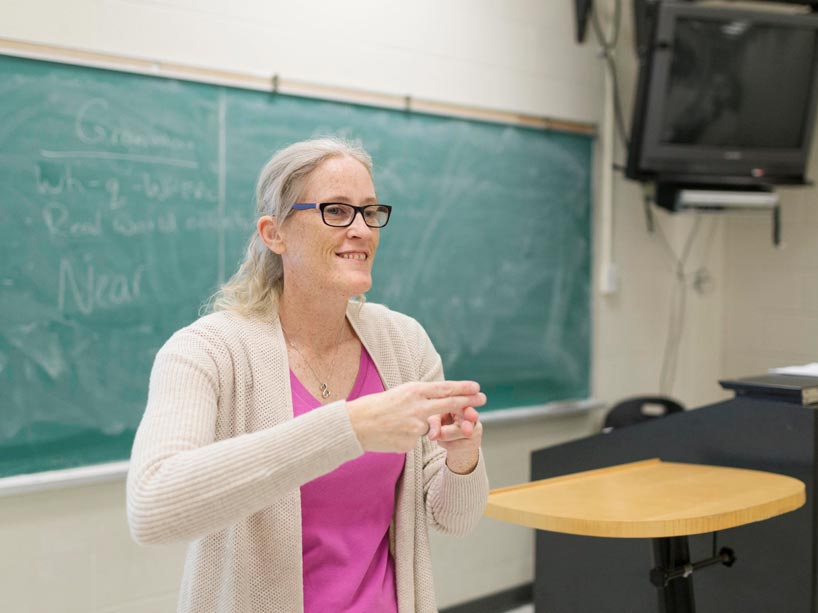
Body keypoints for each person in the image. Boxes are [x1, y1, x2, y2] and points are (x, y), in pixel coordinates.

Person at [126, 137, 489, 613]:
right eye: (336, 211)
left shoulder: (403, 342)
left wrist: (463, 459)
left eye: (369, 211)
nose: (361, 229)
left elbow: (452, 518)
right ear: (274, 234)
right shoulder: (207, 351)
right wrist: (349, 428)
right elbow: (153, 508)